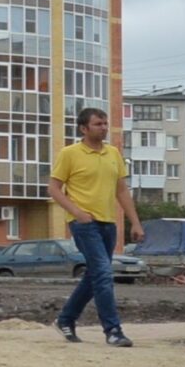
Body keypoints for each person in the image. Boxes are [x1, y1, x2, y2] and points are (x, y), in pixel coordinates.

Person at [50, 105, 139, 346]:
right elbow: (54, 188)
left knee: (94, 276)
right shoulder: (70, 153)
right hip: (84, 223)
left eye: (105, 123)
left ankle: (65, 319)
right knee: (103, 273)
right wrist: (77, 212)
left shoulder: (112, 153)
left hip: (108, 223)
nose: (104, 128)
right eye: (98, 124)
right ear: (83, 128)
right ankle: (113, 331)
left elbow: (121, 190)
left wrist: (135, 222)